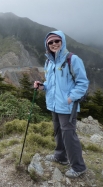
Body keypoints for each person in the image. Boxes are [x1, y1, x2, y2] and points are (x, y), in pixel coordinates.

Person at [33, 30, 89, 178]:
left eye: (56, 41)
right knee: (58, 132)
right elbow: (51, 84)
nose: (54, 44)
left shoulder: (72, 59)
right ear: (47, 45)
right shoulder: (49, 62)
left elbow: (83, 83)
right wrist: (42, 86)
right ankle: (60, 157)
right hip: (54, 104)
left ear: (62, 41)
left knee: (69, 135)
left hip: (67, 106)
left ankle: (78, 167)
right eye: (50, 42)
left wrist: (71, 97)